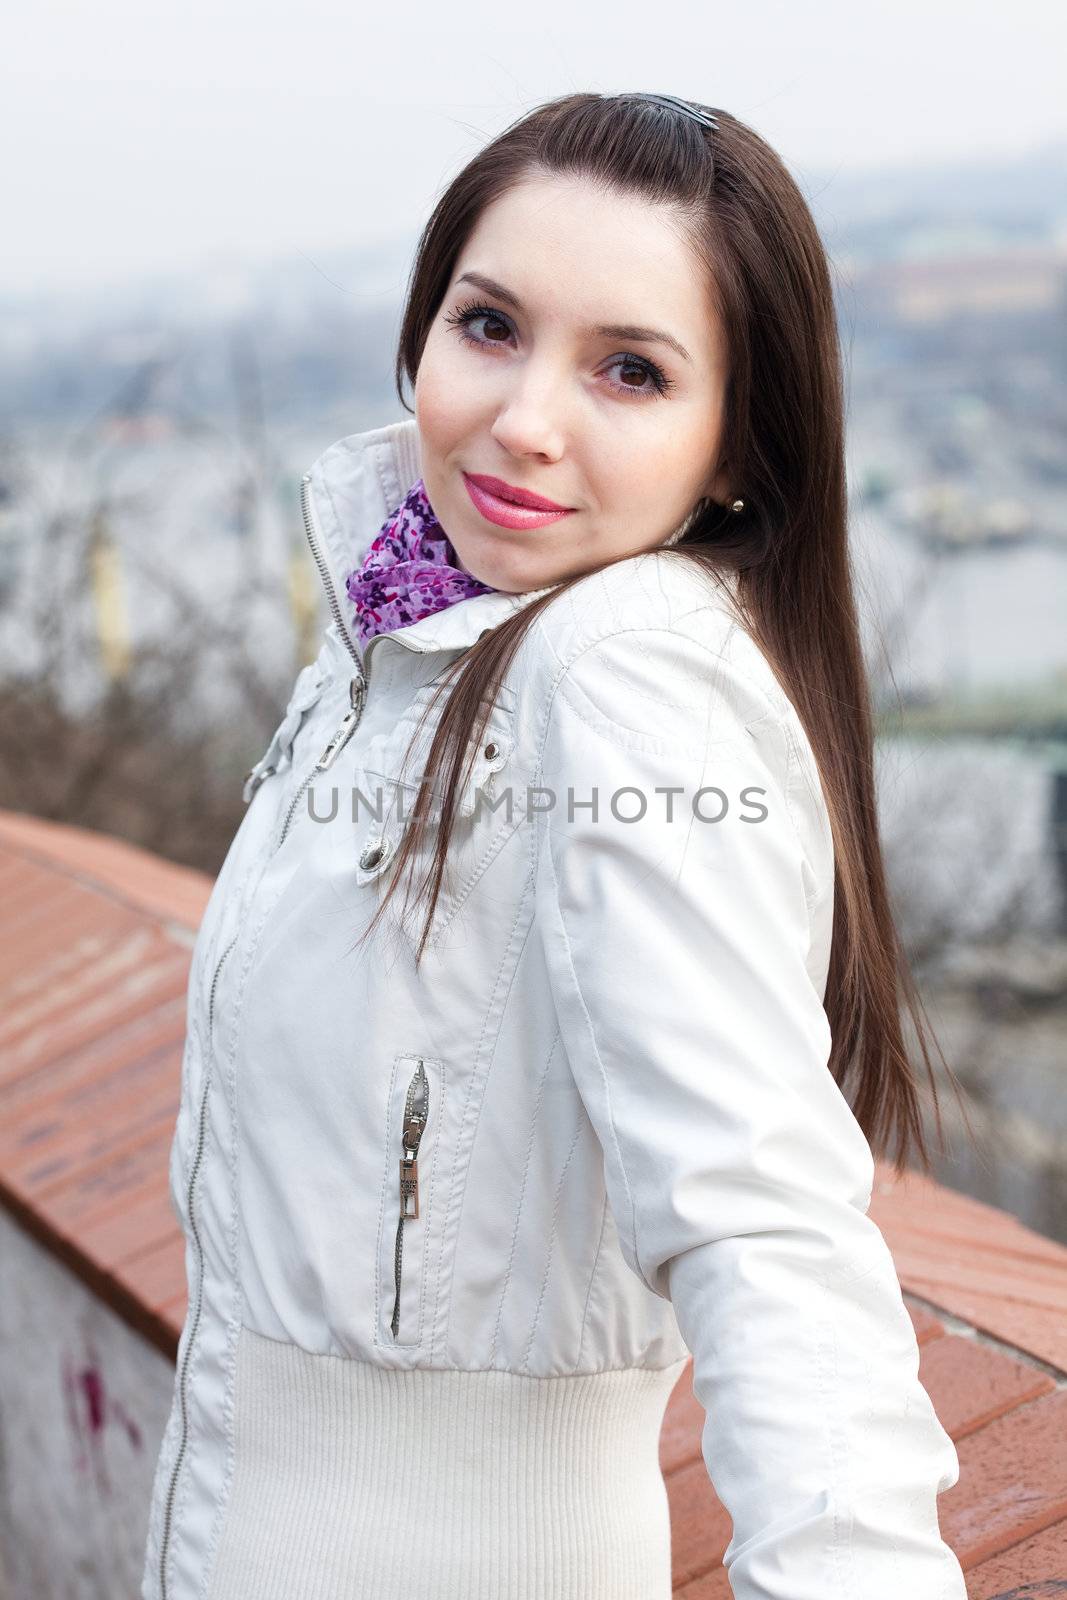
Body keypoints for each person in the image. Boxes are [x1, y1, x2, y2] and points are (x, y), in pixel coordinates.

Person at [141, 91, 974, 1599]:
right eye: (490, 326)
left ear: (736, 448)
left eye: (632, 371)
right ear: (421, 332)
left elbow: (770, 1233)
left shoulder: (622, 674)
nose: (526, 420)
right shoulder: (411, 627)